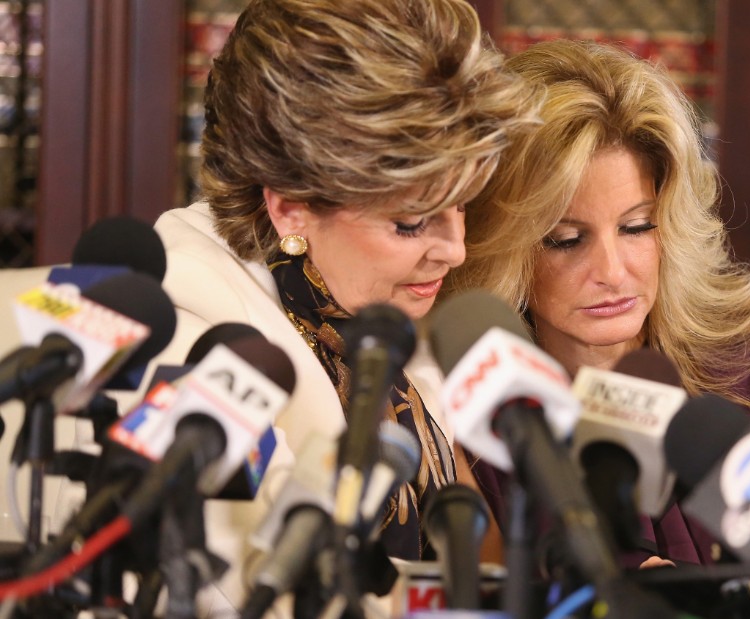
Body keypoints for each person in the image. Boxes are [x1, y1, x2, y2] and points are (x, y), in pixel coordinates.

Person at [146, 0, 540, 611]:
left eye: (464, 204)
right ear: (290, 207)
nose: (457, 251)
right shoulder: (185, 332)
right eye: (411, 222)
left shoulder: (366, 308)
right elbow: (270, 595)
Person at [446, 39, 750, 566]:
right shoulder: (475, 427)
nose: (612, 272)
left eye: (636, 227)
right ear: (503, 245)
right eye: (564, 238)